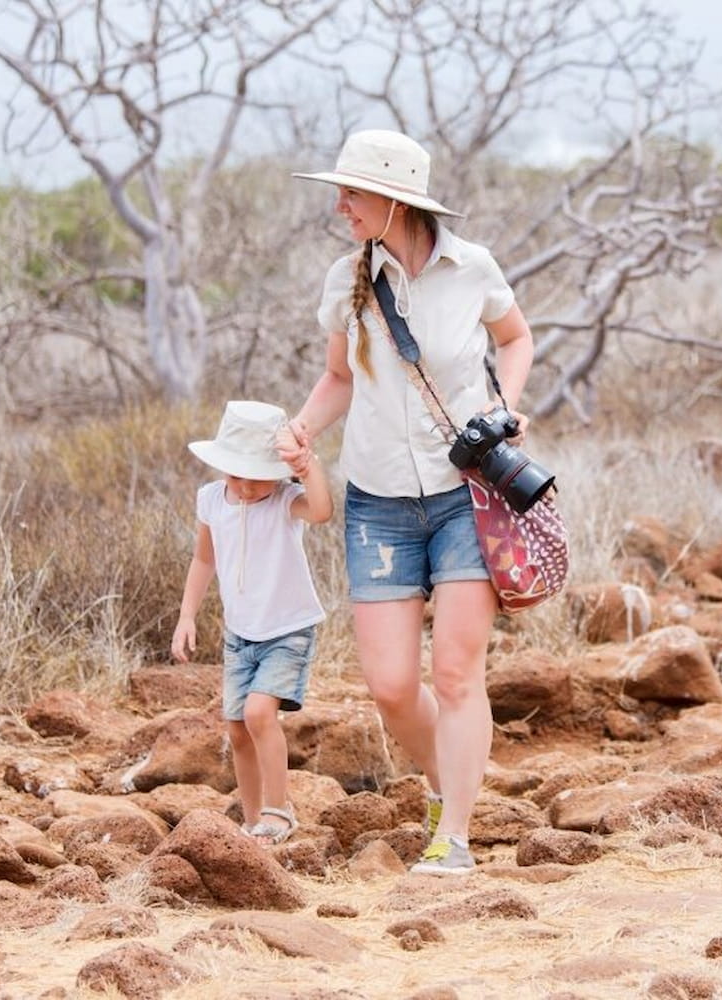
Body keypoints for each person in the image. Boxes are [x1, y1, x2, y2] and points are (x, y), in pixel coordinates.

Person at [280, 129, 535, 876]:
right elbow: (338, 378)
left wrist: (505, 405)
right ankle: (443, 781)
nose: (340, 205)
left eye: (352, 193)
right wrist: (299, 430)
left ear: (395, 200)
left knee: (457, 674)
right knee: (393, 688)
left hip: (466, 496)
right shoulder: (347, 278)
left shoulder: (472, 268)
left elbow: (515, 340)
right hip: (378, 500)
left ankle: (453, 835)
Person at [171, 399, 334, 846]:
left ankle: (279, 813)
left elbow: (321, 511)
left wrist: (307, 466)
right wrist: (187, 616)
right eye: (236, 474)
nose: (245, 488)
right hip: (240, 634)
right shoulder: (211, 499)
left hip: (287, 629)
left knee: (260, 713)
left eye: (257, 477)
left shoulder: (284, 500)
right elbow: (204, 559)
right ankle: (252, 820)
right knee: (238, 728)